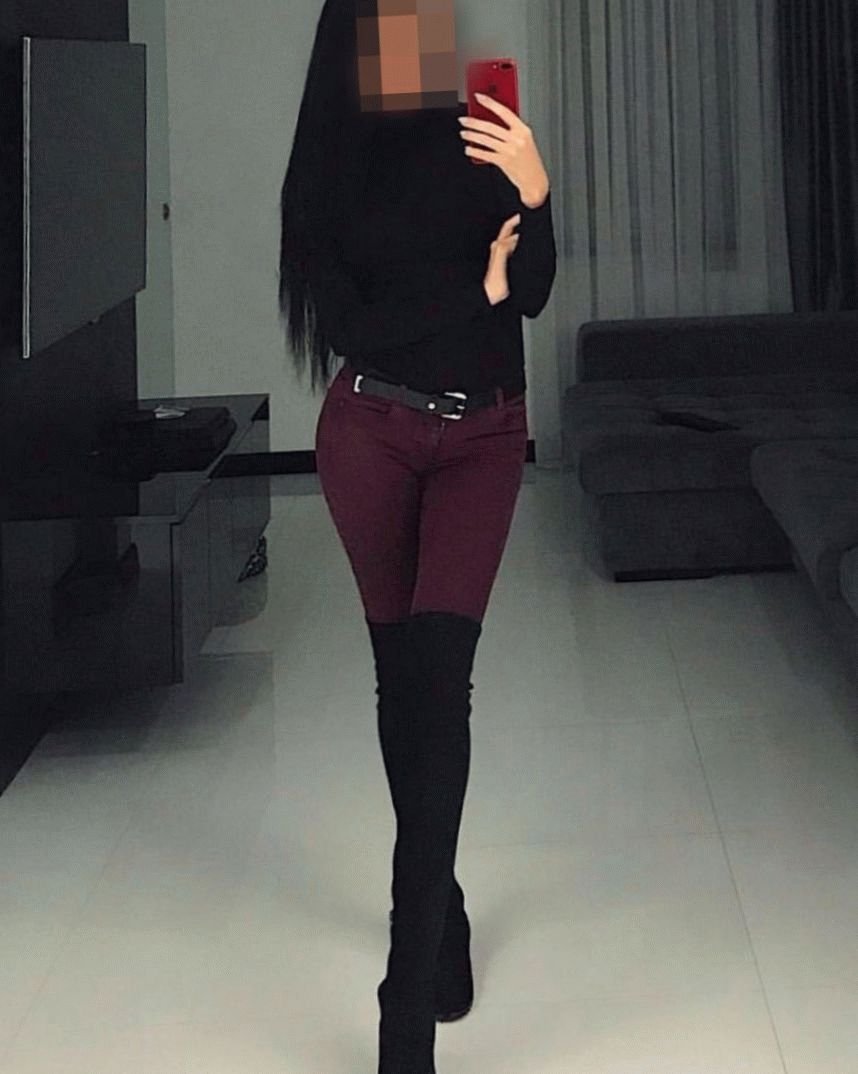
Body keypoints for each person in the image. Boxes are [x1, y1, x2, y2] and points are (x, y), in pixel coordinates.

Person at [278, 1, 556, 1070]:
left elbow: (530, 293)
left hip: (484, 438)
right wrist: (472, 287)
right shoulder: (329, 167)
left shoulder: (485, 133)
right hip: (370, 439)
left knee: (439, 681)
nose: (422, 38)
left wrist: (536, 191)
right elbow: (355, 328)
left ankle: (405, 1005)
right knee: (405, 684)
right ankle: (442, 902)